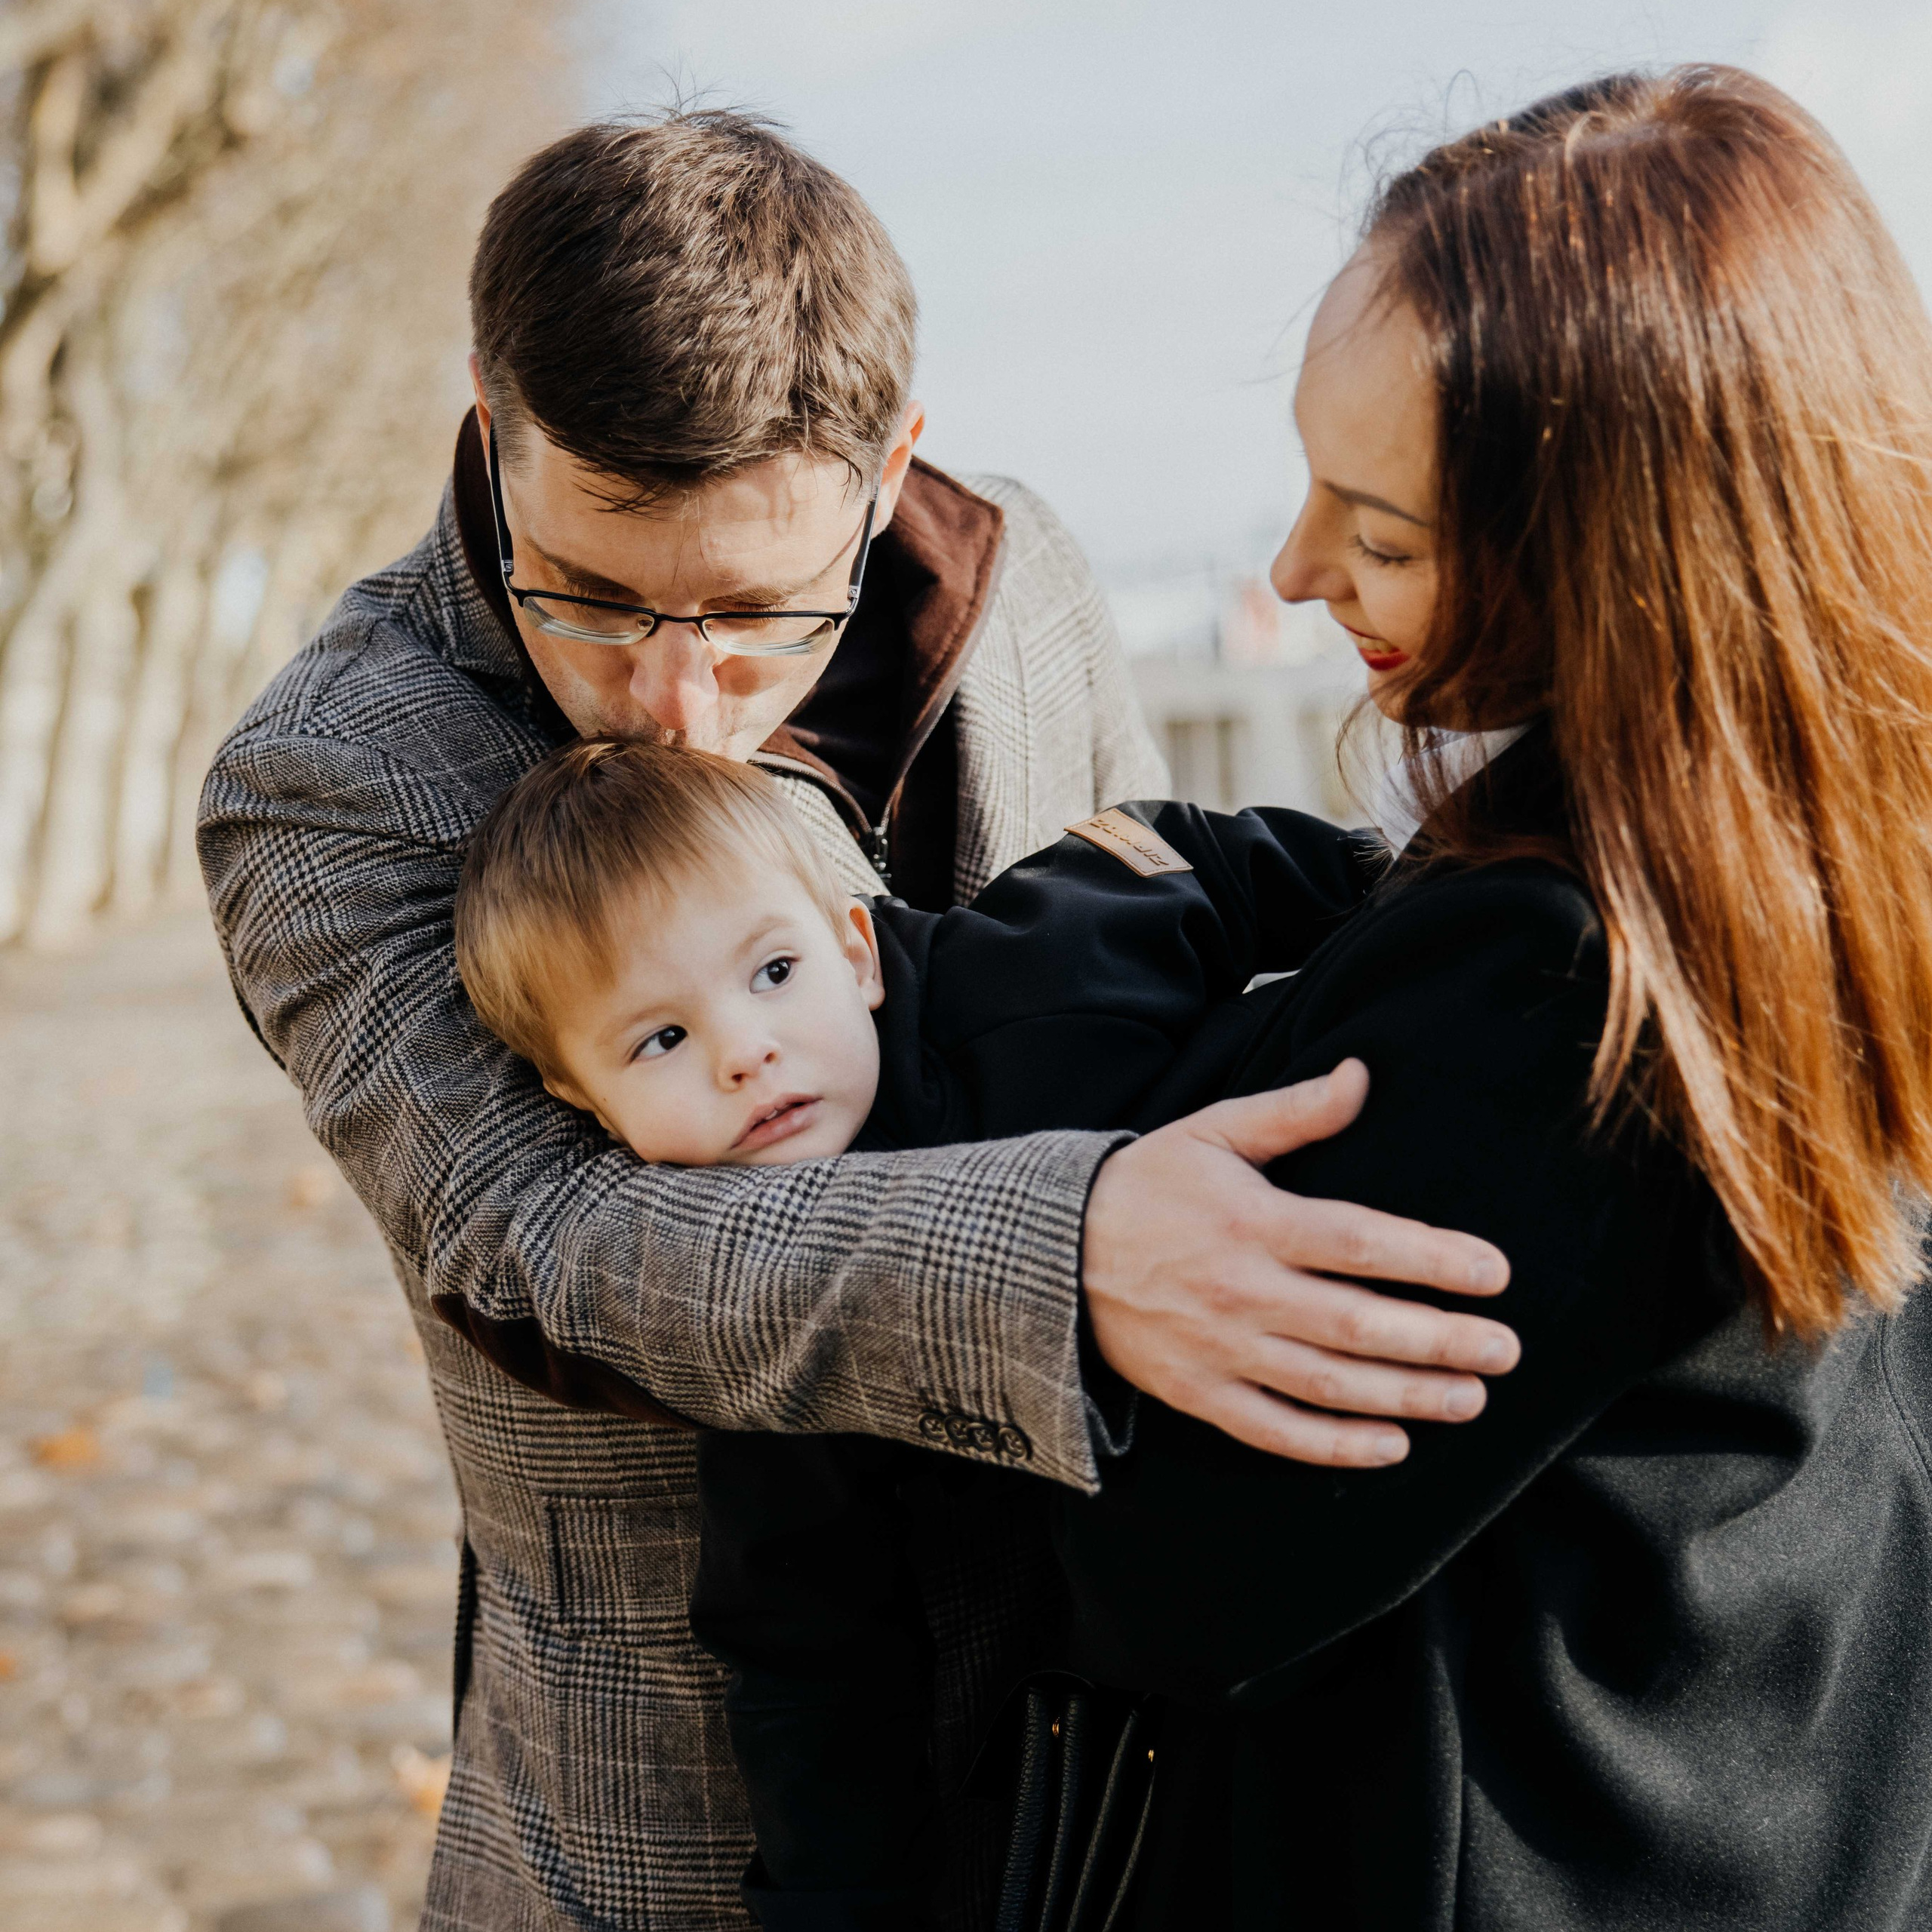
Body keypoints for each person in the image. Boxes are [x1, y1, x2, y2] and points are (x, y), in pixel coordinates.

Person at [197, 110, 1515, 1929]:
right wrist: (1060, 1259)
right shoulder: (334, 772)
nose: (672, 701)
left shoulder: (1026, 576)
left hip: (1133, 1793)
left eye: (755, 612)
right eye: (590, 595)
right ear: (494, 436)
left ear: (888, 462)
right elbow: (530, 1235)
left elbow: (1196, 971)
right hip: (682, 1826)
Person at [1044, 65, 1932, 1930]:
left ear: (1624, 569)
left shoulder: (1561, 992)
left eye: (1377, 535)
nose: (1291, 574)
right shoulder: (1826, 881)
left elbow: (1162, 1575)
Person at [451, 736, 1388, 1928]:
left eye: (774, 972)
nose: (745, 1051)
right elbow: (810, 1656)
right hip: (1227, 1607)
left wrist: (1394, 883)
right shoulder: (770, 1321)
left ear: (858, 953)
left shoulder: (1040, 960)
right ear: (584, 1102)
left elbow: (1189, 855)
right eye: (661, 1042)